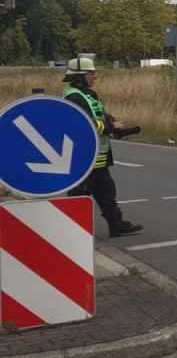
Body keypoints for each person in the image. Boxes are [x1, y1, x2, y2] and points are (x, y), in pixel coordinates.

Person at [62, 58, 144, 238]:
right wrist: (109, 127)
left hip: (98, 156)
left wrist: (113, 122)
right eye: (91, 73)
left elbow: (101, 114)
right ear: (79, 76)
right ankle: (70, 233)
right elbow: (85, 124)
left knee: (107, 193)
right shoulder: (74, 98)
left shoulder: (89, 95)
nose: (95, 77)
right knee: (79, 197)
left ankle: (116, 225)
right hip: (84, 158)